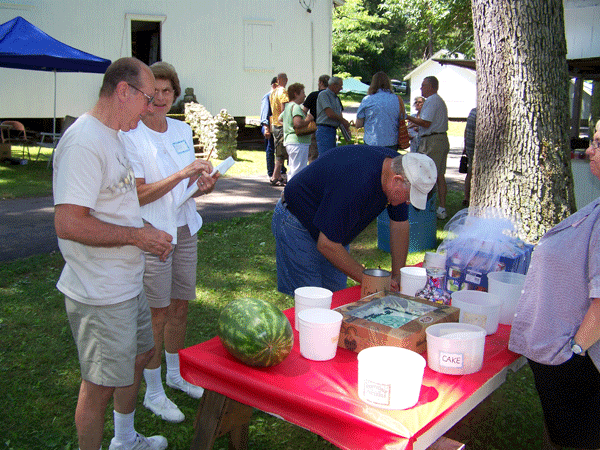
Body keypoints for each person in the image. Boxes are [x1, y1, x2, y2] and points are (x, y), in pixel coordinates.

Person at [53, 57, 173, 450]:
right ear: (124, 91)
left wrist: (143, 233)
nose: (151, 107)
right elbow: (69, 223)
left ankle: (124, 439)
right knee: (99, 385)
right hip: (99, 292)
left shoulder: (113, 134)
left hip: (125, 282)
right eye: (147, 97)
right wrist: (137, 237)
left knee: (140, 355)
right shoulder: (84, 142)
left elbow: (117, 203)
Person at [120, 62, 219, 424]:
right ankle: (154, 391)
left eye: (167, 91)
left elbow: (188, 184)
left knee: (180, 307)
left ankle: (175, 375)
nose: (160, 99)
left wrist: (204, 183)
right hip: (154, 233)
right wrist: (182, 173)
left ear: (175, 94)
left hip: (185, 228)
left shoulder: (180, 128)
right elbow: (139, 194)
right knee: (155, 314)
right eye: (154, 92)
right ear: (143, 96)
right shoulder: (130, 135)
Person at [508, 121, 600, 450]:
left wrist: (573, 354)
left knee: (578, 441)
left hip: (580, 361)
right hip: (571, 358)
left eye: (598, 143)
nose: (588, 149)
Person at [271, 145, 437, 295]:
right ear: (397, 181)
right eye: (409, 197)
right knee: (312, 301)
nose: (408, 203)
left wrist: (397, 275)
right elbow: (327, 244)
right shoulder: (357, 182)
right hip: (297, 223)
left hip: (332, 232)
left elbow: (400, 225)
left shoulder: (399, 168)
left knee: (337, 298)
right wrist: (373, 280)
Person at [406, 76, 450, 219]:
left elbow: (425, 122)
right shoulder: (438, 100)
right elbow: (429, 124)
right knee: (439, 175)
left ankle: (424, 207)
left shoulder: (431, 101)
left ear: (431, 87)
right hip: (439, 138)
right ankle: (441, 208)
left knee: (426, 173)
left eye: (424, 85)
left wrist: (407, 117)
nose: (421, 88)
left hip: (432, 142)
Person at [354, 71, 406, 150]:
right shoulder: (397, 99)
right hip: (391, 142)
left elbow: (358, 124)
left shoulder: (367, 99)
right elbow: (402, 118)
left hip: (372, 141)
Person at [281, 82, 314, 180]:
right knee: (298, 171)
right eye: (303, 92)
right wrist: (308, 119)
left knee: (293, 170)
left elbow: (280, 119)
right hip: (298, 143)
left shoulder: (288, 107)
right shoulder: (295, 107)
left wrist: (288, 127)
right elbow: (298, 123)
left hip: (290, 142)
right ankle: (292, 193)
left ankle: (287, 193)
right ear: (296, 94)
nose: (305, 95)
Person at [315, 76, 351, 156]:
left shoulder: (336, 98)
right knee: (325, 156)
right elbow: (330, 113)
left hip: (332, 130)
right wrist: (343, 120)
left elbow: (338, 115)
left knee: (331, 156)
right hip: (324, 129)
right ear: (334, 85)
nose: (341, 88)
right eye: (340, 86)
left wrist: (346, 129)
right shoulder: (324, 95)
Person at [303, 74, 329, 162]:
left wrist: (307, 120)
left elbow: (304, 111)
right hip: (328, 127)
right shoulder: (331, 97)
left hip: (313, 126)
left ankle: (312, 173)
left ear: (321, 83)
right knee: (326, 154)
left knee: (312, 154)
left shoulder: (313, 95)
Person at [269, 72, 289, 186]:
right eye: (286, 79)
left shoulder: (273, 92)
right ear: (283, 80)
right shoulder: (283, 92)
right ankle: (274, 176)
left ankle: (278, 175)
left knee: (279, 149)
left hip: (274, 124)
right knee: (281, 152)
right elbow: (284, 110)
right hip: (281, 125)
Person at [260, 77, 278, 181]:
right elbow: (264, 113)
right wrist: (266, 127)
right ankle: (271, 172)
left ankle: (279, 170)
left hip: (275, 125)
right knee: (270, 148)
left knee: (277, 149)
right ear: (274, 85)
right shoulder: (267, 97)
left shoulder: (277, 97)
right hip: (269, 125)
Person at [463, 107, 477, 206]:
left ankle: (466, 197)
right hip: (475, 148)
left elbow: (466, 131)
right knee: (473, 173)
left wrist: (465, 145)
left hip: (470, 146)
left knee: (470, 172)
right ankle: (469, 197)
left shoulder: (473, 112)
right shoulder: (476, 113)